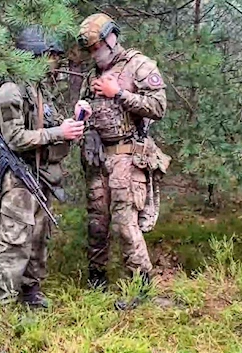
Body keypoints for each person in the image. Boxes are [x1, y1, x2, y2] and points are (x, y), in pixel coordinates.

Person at [0, 25, 84, 308]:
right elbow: (15, 138)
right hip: (18, 178)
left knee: (39, 239)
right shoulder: (10, 91)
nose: (56, 64)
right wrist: (59, 134)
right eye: (52, 56)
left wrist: (75, 121)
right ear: (35, 56)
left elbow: (49, 128)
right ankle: (3, 304)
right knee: (14, 241)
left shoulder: (40, 91)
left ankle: (31, 292)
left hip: (41, 176)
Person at [75, 13, 170, 291]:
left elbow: (158, 107)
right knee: (97, 222)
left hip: (128, 156)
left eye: (97, 47)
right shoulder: (92, 75)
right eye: (90, 50)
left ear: (111, 38)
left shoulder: (138, 65)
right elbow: (86, 110)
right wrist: (87, 128)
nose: (95, 54)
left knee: (125, 223)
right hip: (99, 158)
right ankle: (97, 279)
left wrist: (118, 93)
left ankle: (140, 284)